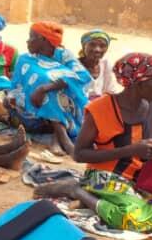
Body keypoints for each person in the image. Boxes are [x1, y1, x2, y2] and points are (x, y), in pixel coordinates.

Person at [36, 53, 152, 234]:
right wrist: (129, 150)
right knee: (132, 219)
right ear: (139, 84)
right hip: (105, 175)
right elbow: (79, 154)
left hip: (141, 176)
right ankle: (76, 190)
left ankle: (112, 203)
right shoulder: (101, 108)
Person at [8, 21, 91, 155]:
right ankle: (63, 141)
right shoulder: (25, 59)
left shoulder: (63, 55)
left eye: (31, 37)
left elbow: (83, 76)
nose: (27, 41)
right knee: (48, 83)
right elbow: (17, 86)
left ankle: (59, 139)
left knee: (53, 91)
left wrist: (45, 88)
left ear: (43, 39)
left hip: (64, 104)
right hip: (29, 105)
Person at [80, 29, 121, 100]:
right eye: (92, 44)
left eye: (102, 46)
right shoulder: (74, 65)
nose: (97, 49)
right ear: (84, 46)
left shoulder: (106, 65)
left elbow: (111, 92)